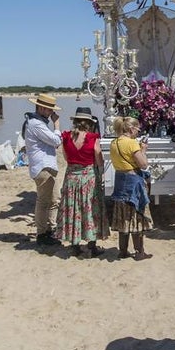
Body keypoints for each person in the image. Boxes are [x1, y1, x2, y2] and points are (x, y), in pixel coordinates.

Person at [56, 107, 108, 258]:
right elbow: (98, 156)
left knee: (73, 210)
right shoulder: (92, 138)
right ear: (89, 123)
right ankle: (91, 245)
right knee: (90, 210)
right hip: (88, 177)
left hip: (72, 176)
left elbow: (66, 157)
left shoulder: (66, 136)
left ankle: (75, 245)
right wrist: (100, 168)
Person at [109, 115, 153, 261]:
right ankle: (139, 252)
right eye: (137, 129)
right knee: (137, 214)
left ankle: (123, 250)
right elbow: (143, 164)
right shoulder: (132, 143)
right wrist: (143, 150)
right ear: (130, 128)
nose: (138, 132)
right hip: (134, 180)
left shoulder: (114, 142)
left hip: (120, 180)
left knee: (123, 216)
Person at [23, 93, 63, 247]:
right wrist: (57, 125)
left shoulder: (36, 122)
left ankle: (49, 230)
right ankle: (42, 233)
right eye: (49, 110)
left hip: (44, 166)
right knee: (44, 201)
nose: (51, 113)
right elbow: (56, 141)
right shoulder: (36, 124)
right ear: (41, 108)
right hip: (43, 167)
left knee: (53, 200)